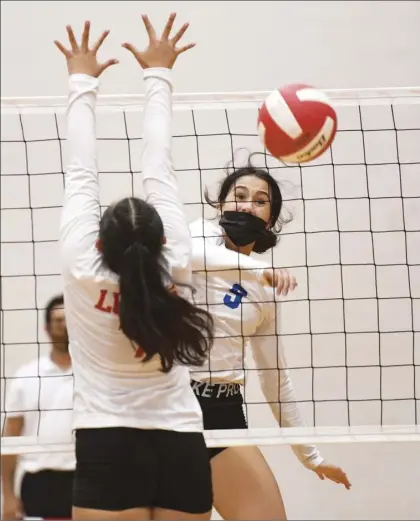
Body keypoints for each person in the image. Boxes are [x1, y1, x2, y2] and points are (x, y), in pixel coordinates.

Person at [54, 14, 214, 520]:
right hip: (182, 440)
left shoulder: (82, 264)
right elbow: (159, 165)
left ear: (101, 240)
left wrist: (82, 78)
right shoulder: (178, 259)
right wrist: (158, 74)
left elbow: (81, 169)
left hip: (108, 441)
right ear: (161, 238)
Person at [189, 154, 351, 520]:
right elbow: (189, 253)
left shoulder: (264, 291)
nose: (246, 205)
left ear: (270, 219)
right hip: (170, 405)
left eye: (260, 201)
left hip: (221, 408)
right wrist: (258, 268)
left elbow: (275, 381)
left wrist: (312, 457)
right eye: (239, 195)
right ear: (220, 204)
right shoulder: (196, 236)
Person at [1, 294, 74, 520]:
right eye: (57, 320)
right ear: (46, 327)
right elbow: (11, 437)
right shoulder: (26, 375)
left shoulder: (94, 375)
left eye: (67, 319)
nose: (63, 325)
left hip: (85, 480)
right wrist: (8, 496)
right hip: (39, 483)